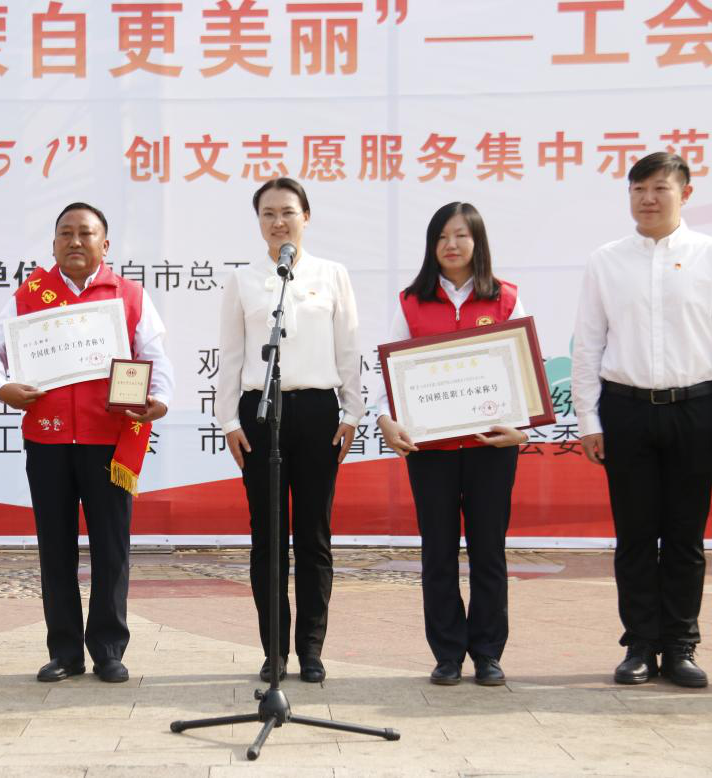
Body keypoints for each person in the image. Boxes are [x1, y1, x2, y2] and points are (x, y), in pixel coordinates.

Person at [0, 202, 173, 684]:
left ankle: (108, 649)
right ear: (53, 244)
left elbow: (154, 356)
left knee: (112, 546)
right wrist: (1, 387)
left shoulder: (128, 296)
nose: (76, 241)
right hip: (48, 440)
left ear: (105, 244)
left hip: (109, 440)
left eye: (86, 233)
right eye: (66, 233)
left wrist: (160, 399)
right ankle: (64, 651)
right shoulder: (30, 295)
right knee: (55, 545)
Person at [572, 152, 712, 689]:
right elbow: (588, 344)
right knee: (636, 535)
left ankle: (682, 645)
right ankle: (641, 645)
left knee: (686, 536)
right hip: (625, 409)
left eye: (660, 188)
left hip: (695, 408)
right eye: (638, 188)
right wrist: (588, 419)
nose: (648, 198)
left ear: (685, 194)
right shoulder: (606, 260)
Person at [375, 202, 529, 687]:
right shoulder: (410, 302)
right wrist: (386, 419)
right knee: (437, 552)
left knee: (489, 552)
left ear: (477, 242)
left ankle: (487, 653)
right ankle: (446, 654)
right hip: (431, 452)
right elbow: (388, 374)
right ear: (431, 245)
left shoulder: (506, 298)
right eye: (442, 236)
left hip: (491, 447)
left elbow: (525, 370)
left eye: (461, 235)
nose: (452, 245)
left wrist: (522, 428)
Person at [216, 177, 361, 684]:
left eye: (288, 212)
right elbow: (231, 356)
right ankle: (274, 650)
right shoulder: (244, 280)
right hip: (261, 413)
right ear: (258, 221)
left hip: (318, 411)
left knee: (315, 536)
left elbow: (348, 349)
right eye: (268, 213)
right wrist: (229, 421)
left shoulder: (332, 274)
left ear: (306, 216)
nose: (279, 222)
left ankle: (312, 650)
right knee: (268, 538)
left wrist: (351, 413)